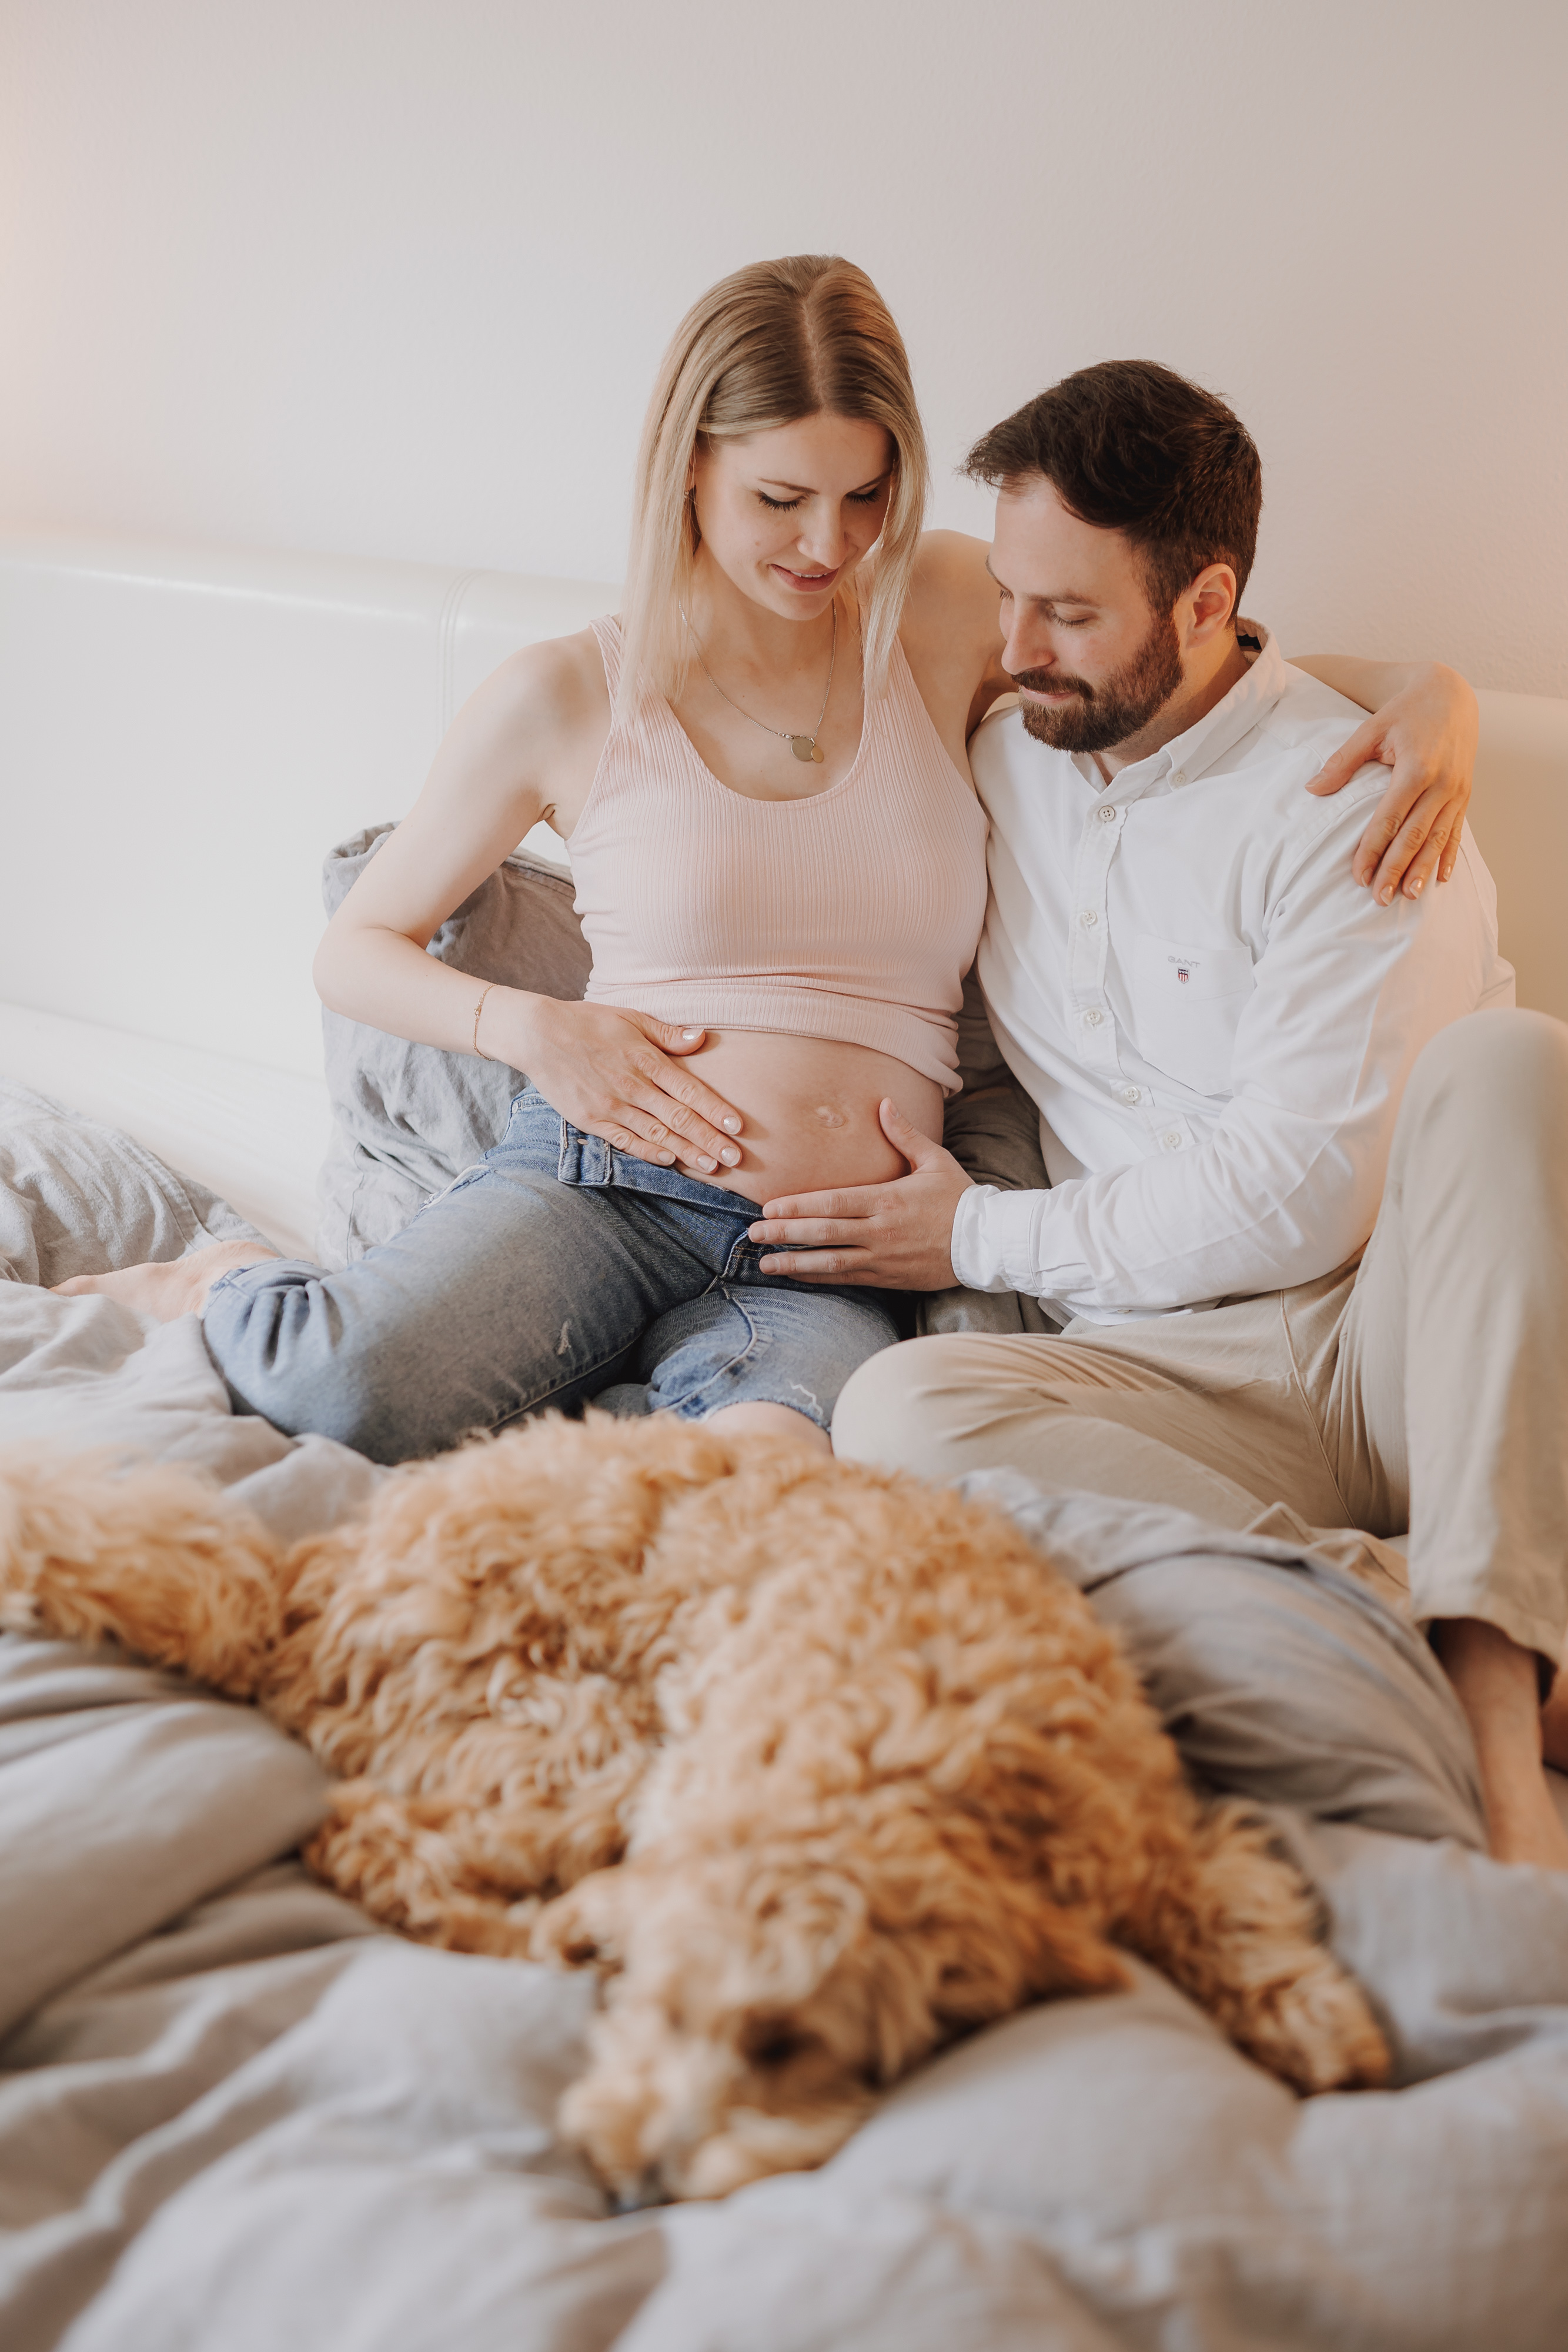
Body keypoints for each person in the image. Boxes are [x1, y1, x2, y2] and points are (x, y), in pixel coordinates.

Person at [61, 263, 1475, 1467]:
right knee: (339, 1390)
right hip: (606, 1180)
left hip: (834, 1242)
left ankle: (611, 1394)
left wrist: (1428, 692)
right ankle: (224, 1277)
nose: (827, 545)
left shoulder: (931, 606)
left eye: (865, 497)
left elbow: (1158, 650)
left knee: (768, 1471)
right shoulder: (565, 694)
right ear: (689, 463)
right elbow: (354, 948)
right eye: (782, 497)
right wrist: (535, 1028)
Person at [751, 360, 1568, 1869]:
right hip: (1162, 1373)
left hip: (1390, 1332)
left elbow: (1302, 1194)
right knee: (898, 1413)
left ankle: (1492, 1717)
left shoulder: (1358, 795)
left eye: (1066, 614)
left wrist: (975, 1227)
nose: (1013, 647)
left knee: (1511, 1061)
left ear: (1202, 604)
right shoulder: (1002, 754)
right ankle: (1428, 1608)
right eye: (1008, 596)